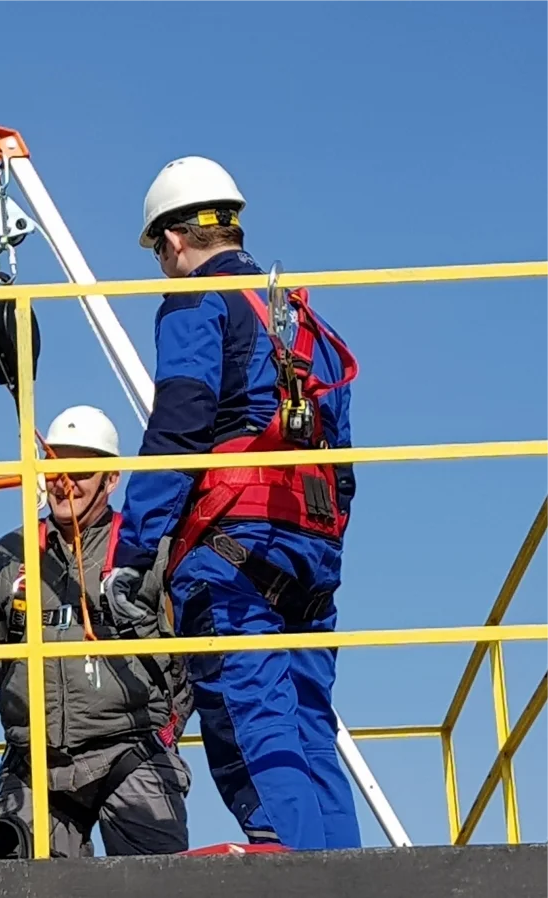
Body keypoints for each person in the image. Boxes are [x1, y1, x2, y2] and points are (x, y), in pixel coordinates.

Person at [105, 156, 362, 851]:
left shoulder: (197, 301)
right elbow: (341, 453)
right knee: (311, 725)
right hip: (312, 548)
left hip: (232, 549)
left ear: (173, 240)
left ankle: (299, 877)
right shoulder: (303, 317)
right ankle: (353, 875)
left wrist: (132, 552)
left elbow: (179, 426)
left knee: (255, 728)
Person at [0, 404, 194, 858]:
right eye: (55, 467)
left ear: (111, 479)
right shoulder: (8, 556)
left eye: (81, 470)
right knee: (19, 881)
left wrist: (167, 730)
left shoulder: (146, 554)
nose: (65, 482)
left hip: (131, 750)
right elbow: (1, 663)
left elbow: (186, 661)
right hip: (36, 764)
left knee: (159, 885)